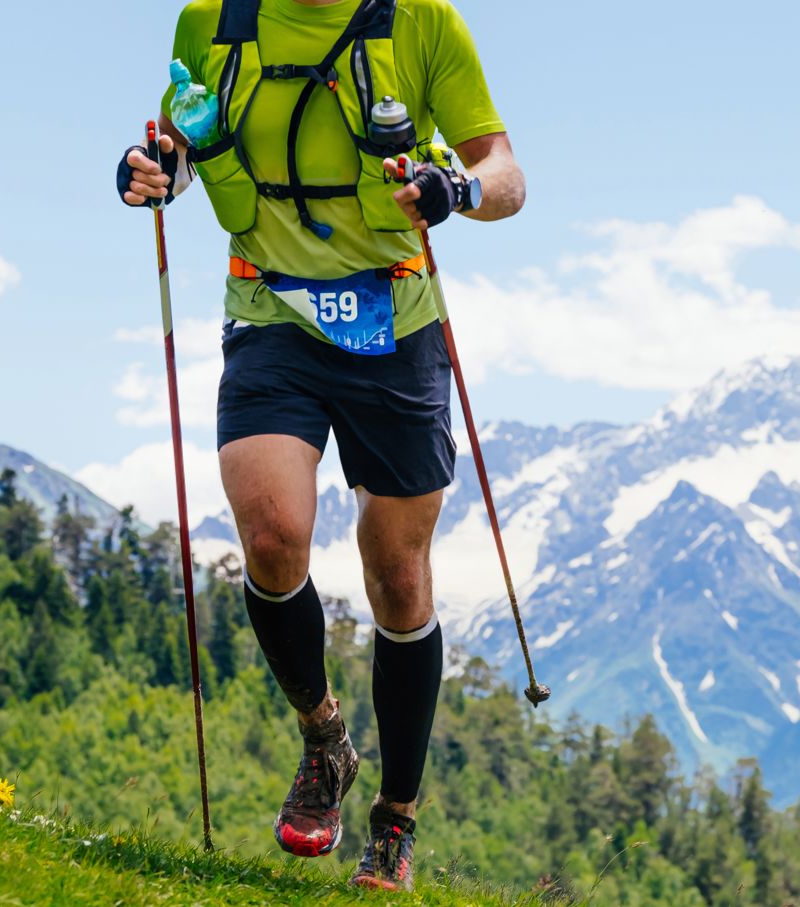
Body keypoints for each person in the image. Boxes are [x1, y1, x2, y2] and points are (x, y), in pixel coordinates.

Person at [117, 0, 523, 891]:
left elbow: (506, 174)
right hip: (271, 310)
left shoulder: (423, 23)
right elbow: (189, 136)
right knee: (269, 535)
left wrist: (456, 189)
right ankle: (324, 739)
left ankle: (395, 821)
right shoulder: (211, 22)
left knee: (399, 574)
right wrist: (156, 168)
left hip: (396, 315)